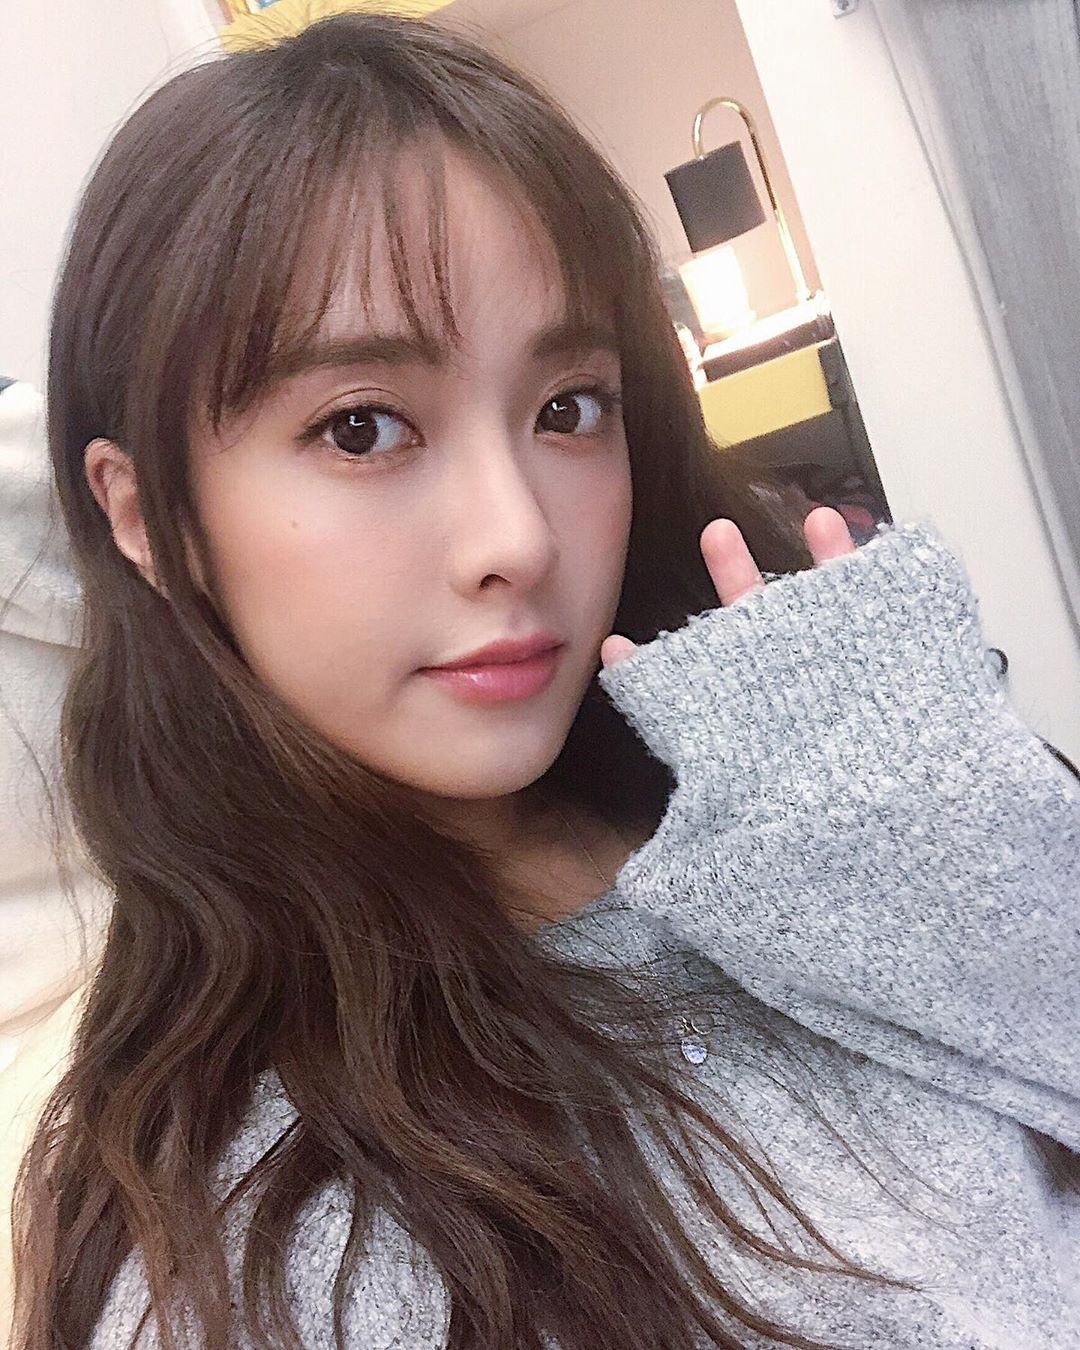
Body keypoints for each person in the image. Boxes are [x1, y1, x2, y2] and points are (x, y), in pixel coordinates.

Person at [8, 13, 1079, 1350]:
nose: (518, 539)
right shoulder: (240, 1243)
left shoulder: (795, 798)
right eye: (361, 427)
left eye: (569, 407)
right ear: (146, 518)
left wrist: (933, 829)